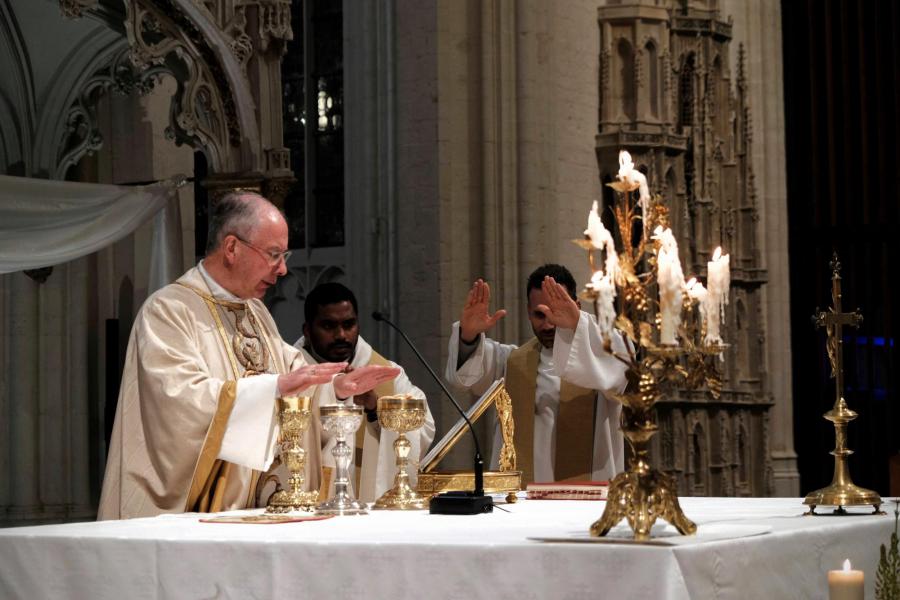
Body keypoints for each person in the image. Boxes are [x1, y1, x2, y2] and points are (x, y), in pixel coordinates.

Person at [98, 192, 399, 519]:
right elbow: (179, 401)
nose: (283, 269)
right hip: (188, 516)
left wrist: (337, 388)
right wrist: (272, 389)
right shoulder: (168, 311)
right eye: (273, 254)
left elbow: (292, 372)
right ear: (231, 248)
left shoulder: (255, 311)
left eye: (284, 255)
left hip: (254, 512)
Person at [445, 264, 627, 484]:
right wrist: (469, 335)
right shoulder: (511, 363)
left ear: (576, 307)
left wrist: (578, 323)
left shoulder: (600, 359)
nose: (548, 324)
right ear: (528, 314)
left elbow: (623, 362)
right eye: (539, 315)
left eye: (557, 312)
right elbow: (467, 376)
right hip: (524, 504)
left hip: (587, 505)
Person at [295, 283, 435, 502]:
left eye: (349, 324)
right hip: (311, 507)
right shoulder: (290, 372)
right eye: (328, 326)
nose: (341, 335)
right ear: (307, 330)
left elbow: (423, 428)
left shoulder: (386, 373)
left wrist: (375, 408)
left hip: (372, 506)